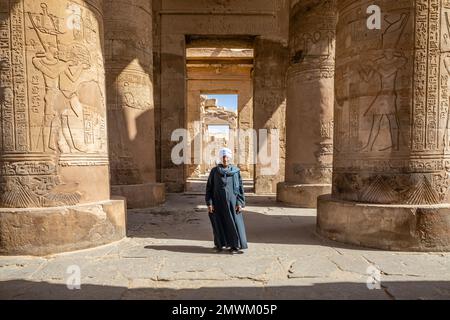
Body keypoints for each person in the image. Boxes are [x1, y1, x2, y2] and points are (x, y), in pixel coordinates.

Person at [205, 147, 248, 254]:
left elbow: (240, 188)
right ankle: (219, 245)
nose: (225, 159)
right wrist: (209, 203)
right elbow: (209, 188)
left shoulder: (235, 172)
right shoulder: (214, 171)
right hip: (218, 203)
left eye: (227, 157)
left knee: (234, 224)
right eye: (223, 157)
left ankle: (235, 246)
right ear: (220, 158)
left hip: (233, 203)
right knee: (219, 224)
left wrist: (240, 202)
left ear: (230, 158)